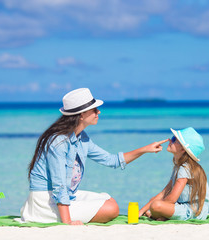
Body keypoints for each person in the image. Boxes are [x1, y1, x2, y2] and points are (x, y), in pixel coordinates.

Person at [20, 88, 168, 225]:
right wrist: (67, 223)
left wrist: (145, 149)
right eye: (95, 110)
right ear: (82, 115)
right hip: (46, 201)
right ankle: (57, 216)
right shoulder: (58, 141)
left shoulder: (81, 138)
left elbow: (112, 160)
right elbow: (59, 186)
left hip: (68, 195)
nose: (99, 112)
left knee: (109, 201)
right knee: (112, 209)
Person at [139, 127, 209, 221]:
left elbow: (172, 199)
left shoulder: (185, 168)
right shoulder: (178, 167)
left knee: (156, 205)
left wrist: (154, 208)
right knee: (154, 200)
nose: (169, 140)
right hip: (183, 206)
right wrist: (141, 211)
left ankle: (160, 216)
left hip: (193, 212)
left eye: (174, 139)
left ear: (183, 149)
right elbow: (165, 192)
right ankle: (161, 216)